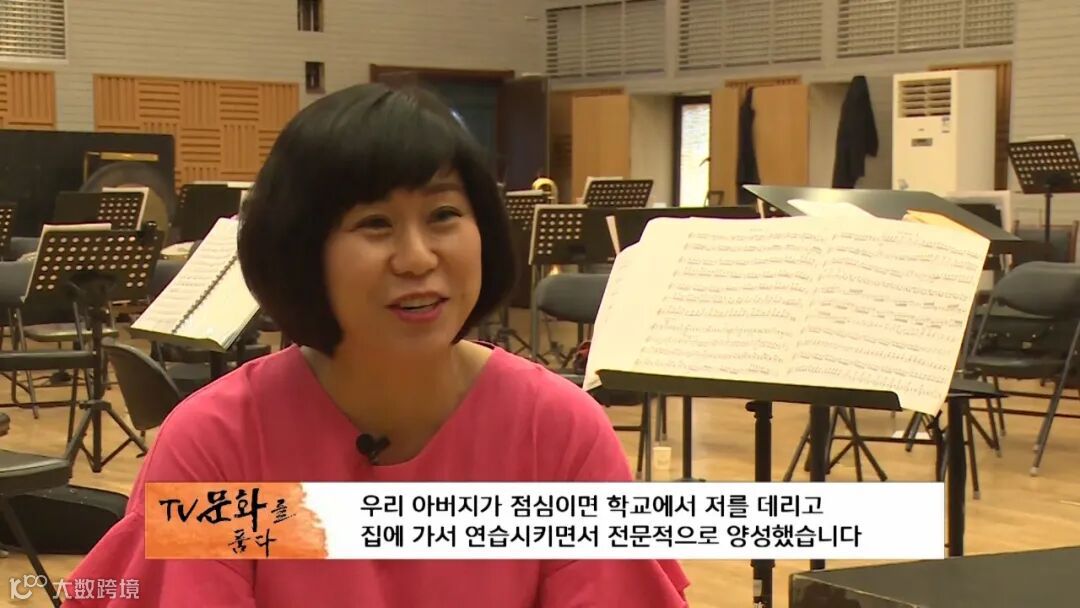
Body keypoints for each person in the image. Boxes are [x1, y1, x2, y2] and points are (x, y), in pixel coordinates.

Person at [64, 83, 690, 607]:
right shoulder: (216, 442)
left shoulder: (558, 432)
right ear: (301, 250)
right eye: (374, 224)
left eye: (444, 215)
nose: (417, 258)